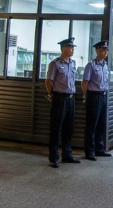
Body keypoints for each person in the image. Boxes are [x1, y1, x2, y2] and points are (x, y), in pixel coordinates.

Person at [45, 37, 79, 168]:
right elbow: (49, 81)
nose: (73, 50)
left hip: (71, 98)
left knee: (68, 128)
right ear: (64, 48)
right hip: (59, 98)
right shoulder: (55, 64)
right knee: (56, 128)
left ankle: (67, 154)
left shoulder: (73, 63)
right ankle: (53, 157)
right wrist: (51, 94)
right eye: (71, 47)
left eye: (73, 48)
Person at [81, 40, 112, 161]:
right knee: (91, 125)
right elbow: (84, 83)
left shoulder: (105, 65)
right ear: (97, 50)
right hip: (93, 96)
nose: (106, 52)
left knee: (101, 124)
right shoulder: (91, 65)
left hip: (103, 95)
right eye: (103, 50)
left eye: (107, 50)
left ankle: (99, 149)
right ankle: (90, 151)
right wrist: (87, 96)